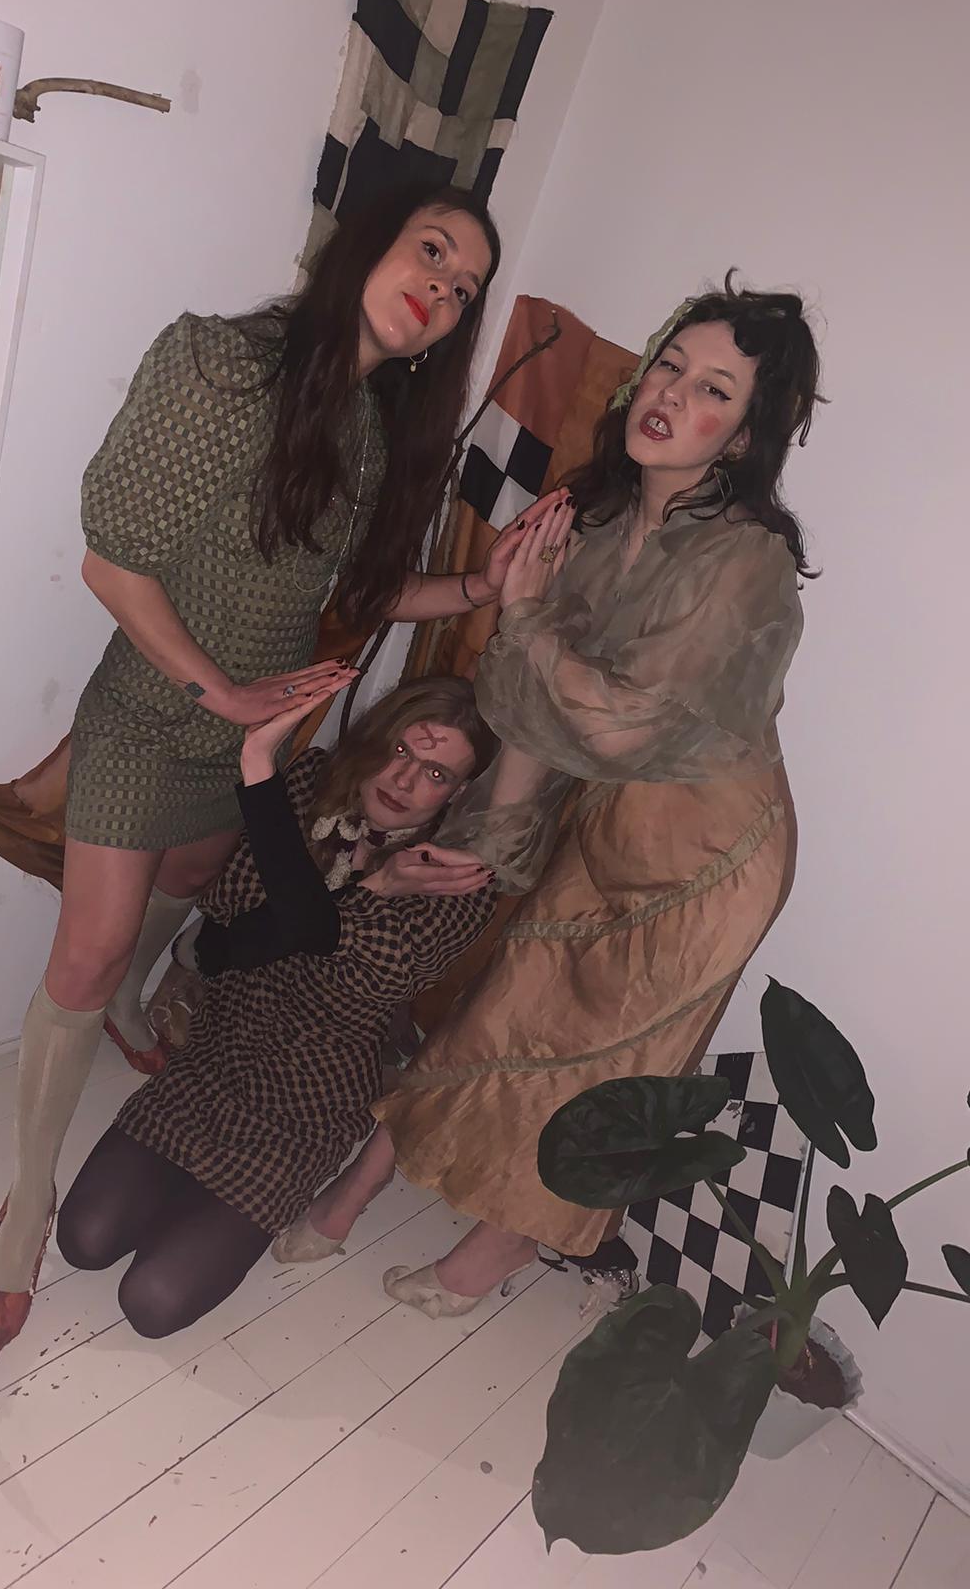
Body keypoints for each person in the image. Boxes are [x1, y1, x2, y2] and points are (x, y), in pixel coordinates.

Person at [0, 183, 557, 1431]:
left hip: (257, 738)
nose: (442, 288)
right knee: (90, 950)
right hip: (156, 711)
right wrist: (219, 691)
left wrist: (479, 586)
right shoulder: (223, 365)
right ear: (367, 245)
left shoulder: (371, 431)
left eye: (464, 287)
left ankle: (137, 1008)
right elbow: (112, 561)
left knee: (187, 896)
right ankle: (21, 1213)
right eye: (431, 251)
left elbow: (363, 594)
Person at [274, 275, 820, 1318]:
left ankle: (493, 1254)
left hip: (712, 857)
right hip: (610, 819)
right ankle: (353, 1193)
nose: (671, 394)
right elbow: (527, 707)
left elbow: (619, 725)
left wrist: (525, 617)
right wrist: (486, 842)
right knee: (500, 1009)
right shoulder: (595, 522)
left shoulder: (747, 562)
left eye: (713, 390)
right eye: (668, 366)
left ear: (744, 437)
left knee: (604, 1071)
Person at [33, 678, 496, 1358]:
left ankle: (220, 1202)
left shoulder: (460, 883)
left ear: (456, 793)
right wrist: (368, 892)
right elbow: (227, 919)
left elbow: (347, 969)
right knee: (83, 1241)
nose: (404, 780)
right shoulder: (310, 785)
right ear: (374, 739)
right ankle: (187, 1190)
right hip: (211, 1061)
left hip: (304, 1106)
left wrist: (346, 891)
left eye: (435, 773)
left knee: (153, 1303)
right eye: (401, 750)